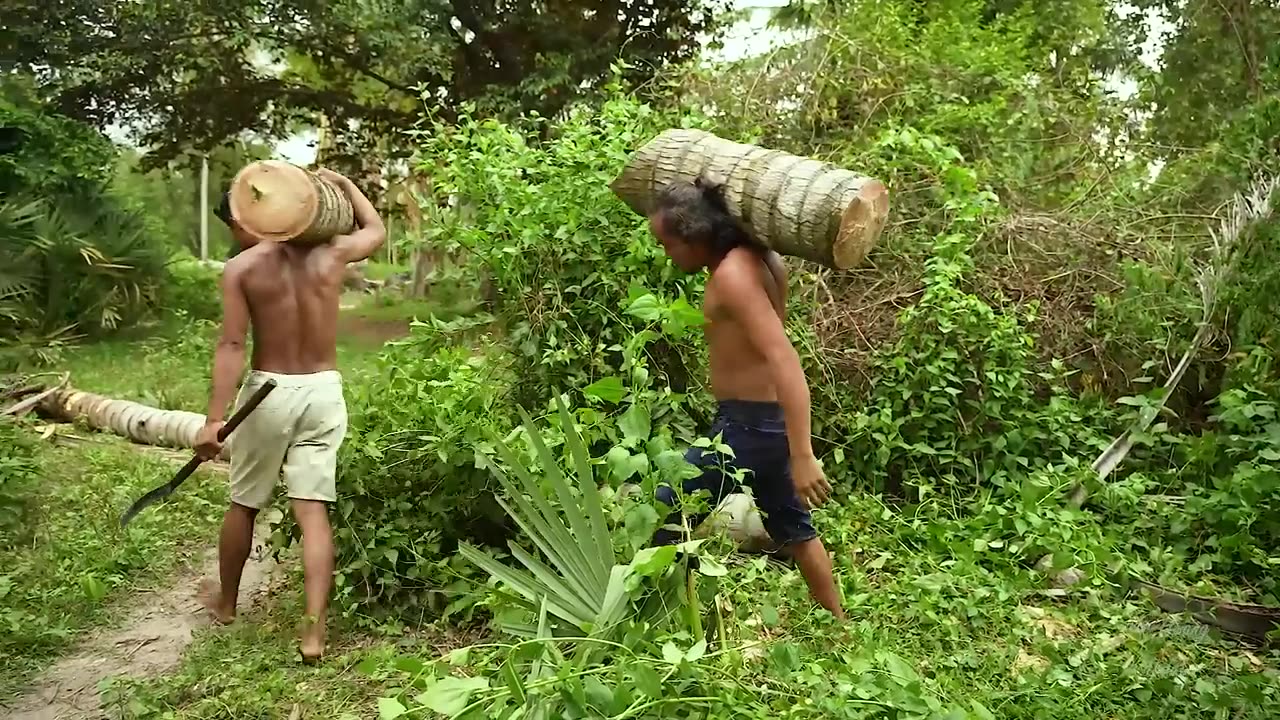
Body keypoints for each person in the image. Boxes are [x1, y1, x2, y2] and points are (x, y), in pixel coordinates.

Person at [194, 168, 386, 662]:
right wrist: (344, 185)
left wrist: (213, 420)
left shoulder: (243, 267)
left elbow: (233, 344)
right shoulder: (332, 255)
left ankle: (228, 606)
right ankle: (313, 634)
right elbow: (376, 230)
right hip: (323, 392)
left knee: (243, 502)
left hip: (269, 393)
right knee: (312, 508)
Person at [648, 174, 845, 620]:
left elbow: (784, 360)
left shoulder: (735, 276)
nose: (666, 255)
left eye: (668, 245)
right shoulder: (760, 259)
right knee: (795, 530)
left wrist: (803, 454)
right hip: (762, 423)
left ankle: (644, 617)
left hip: (747, 429)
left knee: (665, 506)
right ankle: (840, 629)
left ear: (695, 236)